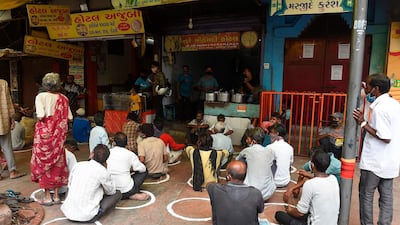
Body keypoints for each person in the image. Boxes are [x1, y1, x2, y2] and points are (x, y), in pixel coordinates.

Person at [352, 73, 400, 225]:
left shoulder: (380, 109)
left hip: (375, 162)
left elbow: (385, 137)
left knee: (366, 195)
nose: (366, 88)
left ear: (376, 89)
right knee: (386, 197)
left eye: (368, 86)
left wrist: (363, 123)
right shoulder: (395, 104)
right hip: (390, 161)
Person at [31, 72, 73, 205]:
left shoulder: (40, 97)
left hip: (44, 136)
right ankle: (56, 196)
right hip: (58, 137)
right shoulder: (64, 99)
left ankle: (47, 196)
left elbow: (40, 115)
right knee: (57, 164)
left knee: (44, 164)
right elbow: (70, 118)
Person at [275, 149, 340, 225]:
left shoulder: (310, 184)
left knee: (279, 215)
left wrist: (289, 208)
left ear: (312, 165)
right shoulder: (333, 179)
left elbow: (300, 213)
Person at [61, 144, 121, 222]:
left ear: (92, 154)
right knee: (117, 193)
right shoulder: (102, 171)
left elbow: (69, 185)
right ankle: (98, 211)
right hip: (87, 216)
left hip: (67, 212)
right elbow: (110, 191)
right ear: (106, 160)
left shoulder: (78, 165)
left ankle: (71, 204)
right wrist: (105, 170)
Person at [207, 160, 264, 225]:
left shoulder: (215, 189)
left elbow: (209, 184)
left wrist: (225, 181)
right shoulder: (256, 193)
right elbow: (260, 210)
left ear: (228, 177)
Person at [236, 127, 276, 201]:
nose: (246, 141)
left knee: (239, 163)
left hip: (250, 193)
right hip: (268, 193)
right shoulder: (270, 151)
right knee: (272, 162)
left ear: (253, 141)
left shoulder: (247, 150)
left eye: (248, 139)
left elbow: (237, 161)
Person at [107, 132, 149, 201]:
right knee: (145, 171)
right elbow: (142, 169)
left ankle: (124, 196)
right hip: (126, 190)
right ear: (127, 143)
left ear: (114, 142)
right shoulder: (130, 154)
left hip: (110, 190)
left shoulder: (108, 152)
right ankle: (131, 195)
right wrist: (131, 169)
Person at [0, 79, 26, 179]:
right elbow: (9, 102)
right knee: (7, 147)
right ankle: (12, 171)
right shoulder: (3, 83)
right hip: (2, 120)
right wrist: (12, 117)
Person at [267, 123, 294, 188]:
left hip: (272, 181)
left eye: (271, 132)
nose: (269, 134)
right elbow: (290, 163)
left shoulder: (269, 147)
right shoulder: (290, 147)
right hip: (286, 181)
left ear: (277, 133)